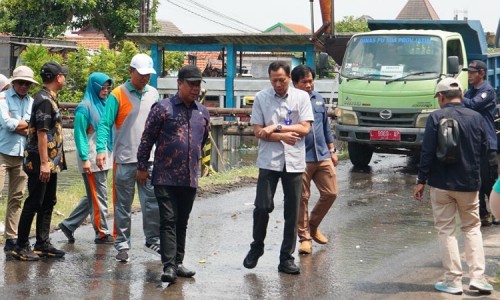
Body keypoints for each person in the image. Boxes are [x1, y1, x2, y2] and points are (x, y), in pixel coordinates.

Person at [413, 77, 493, 295]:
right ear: (461, 95)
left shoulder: (435, 117)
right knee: (472, 228)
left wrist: (421, 181)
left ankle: (453, 281)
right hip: (469, 184)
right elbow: (485, 149)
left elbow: (427, 152)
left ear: (441, 97)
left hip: (441, 185)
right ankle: (477, 278)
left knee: (447, 230)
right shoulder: (476, 118)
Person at [137, 64, 210, 283]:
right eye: (191, 84)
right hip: (165, 176)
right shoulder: (163, 108)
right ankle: (168, 265)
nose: (195, 89)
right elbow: (147, 138)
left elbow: (203, 140)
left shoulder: (202, 112)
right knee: (168, 220)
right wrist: (141, 167)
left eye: (198, 84)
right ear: (180, 84)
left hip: (189, 177)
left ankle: (178, 262)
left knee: (182, 221)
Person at [243, 61, 313, 275]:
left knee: (292, 211)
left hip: (293, 162)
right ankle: (257, 246)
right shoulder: (262, 98)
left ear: (289, 78)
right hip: (269, 161)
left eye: (281, 80)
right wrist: (281, 135)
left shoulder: (301, 97)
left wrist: (276, 126)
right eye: (274, 80)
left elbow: (305, 128)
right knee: (262, 206)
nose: (278, 84)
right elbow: (258, 131)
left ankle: (286, 258)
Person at [96, 53, 160, 263]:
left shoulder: (153, 94)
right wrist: (101, 150)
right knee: (123, 205)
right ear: (131, 72)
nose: (144, 78)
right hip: (124, 158)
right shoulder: (117, 94)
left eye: (147, 75)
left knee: (151, 203)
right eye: (141, 74)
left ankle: (152, 240)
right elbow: (105, 124)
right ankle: (122, 244)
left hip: (148, 159)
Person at [12, 62, 68, 261]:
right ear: (57, 77)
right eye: (63, 75)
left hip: (50, 162)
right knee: (34, 201)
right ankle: (21, 245)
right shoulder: (44, 100)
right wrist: (44, 163)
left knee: (48, 201)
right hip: (40, 162)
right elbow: (42, 134)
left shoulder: (49, 98)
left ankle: (42, 243)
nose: (64, 78)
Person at [58, 72, 114, 244]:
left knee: (94, 194)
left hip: (104, 157)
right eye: (102, 88)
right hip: (91, 158)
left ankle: (69, 225)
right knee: (99, 195)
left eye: (107, 88)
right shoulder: (85, 107)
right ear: (94, 87)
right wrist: (84, 159)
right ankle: (102, 232)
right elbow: (80, 135)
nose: (105, 91)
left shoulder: (105, 105)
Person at [290, 65, 338, 255]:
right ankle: (305, 238)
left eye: (311, 81)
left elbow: (325, 125)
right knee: (302, 198)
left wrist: (332, 148)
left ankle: (312, 225)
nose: (309, 85)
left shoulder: (318, 99)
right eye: (305, 82)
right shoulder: (291, 101)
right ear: (295, 83)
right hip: (301, 157)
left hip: (322, 155)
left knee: (331, 193)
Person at [0, 66, 38, 256]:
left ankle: (11, 238)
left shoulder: (32, 101)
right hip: (2, 152)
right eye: (21, 82)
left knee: (16, 197)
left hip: (22, 154)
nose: (24, 86)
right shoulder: (3, 98)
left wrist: (21, 126)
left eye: (27, 83)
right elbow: (7, 124)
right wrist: (24, 126)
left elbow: (33, 126)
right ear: (13, 82)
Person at [462, 60, 498, 226]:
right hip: (473, 143)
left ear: (482, 73)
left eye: (472, 72)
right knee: (476, 181)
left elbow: (473, 105)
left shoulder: (487, 91)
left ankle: (497, 213)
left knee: (490, 181)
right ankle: (483, 214)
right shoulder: (470, 92)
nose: (469, 75)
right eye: (468, 72)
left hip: (487, 143)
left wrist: (460, 97)